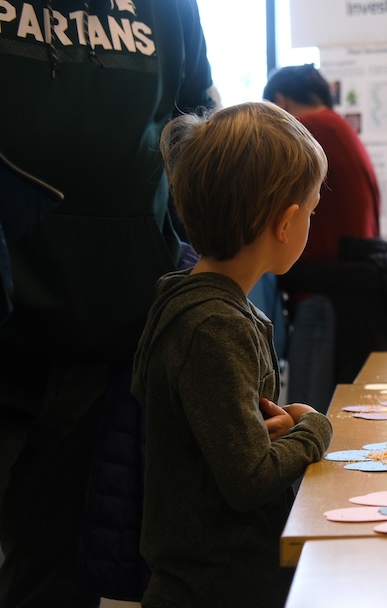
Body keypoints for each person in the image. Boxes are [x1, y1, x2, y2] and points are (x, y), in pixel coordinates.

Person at [0, 2, 215, 605]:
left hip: (109, 325)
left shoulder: (171, 9)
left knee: (56, 569)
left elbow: (197, 121)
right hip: (8, 311)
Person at [132, 101, 334, 607]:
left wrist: (275, 428)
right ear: (286, 222)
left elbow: (227, 438)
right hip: (216, 586)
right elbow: (250, 478)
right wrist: (314, 428)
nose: (310, 221)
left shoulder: (198, 305)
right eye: (312, 209)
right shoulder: (214, 327)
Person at [263, 64, 387, 413]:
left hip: (326, 298)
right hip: (355, 296)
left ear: (281, 101)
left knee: (306, 420)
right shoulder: (341, 129)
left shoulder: (307, 131)